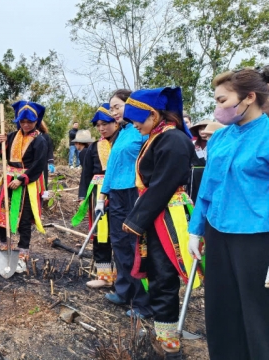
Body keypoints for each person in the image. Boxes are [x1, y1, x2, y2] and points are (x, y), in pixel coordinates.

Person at [188, 66, 269, 360]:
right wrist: (196, 230)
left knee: (257, 314)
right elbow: (207, 188)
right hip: (218, 233)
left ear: (249, 97)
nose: (217, 108)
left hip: (257, 239)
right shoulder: (221, 139)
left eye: (222, 101)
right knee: (221, 309)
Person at [120, 87, 200, 359]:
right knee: (156, 270)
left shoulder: (174, 139)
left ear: (153, 114)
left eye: (137, 120)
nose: (135, 125)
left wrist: (135, 220)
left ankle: (170, 343)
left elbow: (163, 184)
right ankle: (163, 329)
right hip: (156, 212)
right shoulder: (157, 137)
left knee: (165, 274)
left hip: (168, 216)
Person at [95, 89, 151, 318]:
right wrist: (102, 196)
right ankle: (123, 290)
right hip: (116, 195)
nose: (113, 111)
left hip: (134, 193)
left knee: (134, 245)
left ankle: (143, 302)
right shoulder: (123, 134)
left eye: (117, 106)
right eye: (112, 108)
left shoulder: (142, 131)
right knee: (118, 243)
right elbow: (112, 169)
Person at [0, 101, 48, 271]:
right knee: (3, 214)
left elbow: (39, 164)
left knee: (24, 219)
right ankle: (4, 245)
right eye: (22, 122)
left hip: (26, 184)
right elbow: (2, 154)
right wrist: (1, 143)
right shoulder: (12, 135)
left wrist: (22, 179)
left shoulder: (40, 140)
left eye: (29, 122)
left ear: (36, 121)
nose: (25, 125)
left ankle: (23, 254)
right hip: (8, 181)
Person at [73, 104, 120, 288]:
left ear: (115, 122)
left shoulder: (123, 143)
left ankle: (121, 276)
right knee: (101, 234)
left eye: (105, 123)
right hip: (97, 194)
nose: (102, 128)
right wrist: (82, 195)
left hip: (120, 192)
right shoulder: (93, 148)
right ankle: (104, 276)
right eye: (98, 125)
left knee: (119, 234)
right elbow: (86, 174)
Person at [186, 119, 211, 204]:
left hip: (209, 172)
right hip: (195, 174)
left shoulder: (214, 143)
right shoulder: (192, 143)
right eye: (200, 129)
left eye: (205, 128)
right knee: (194, 195)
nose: (202, 131)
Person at [38, 121, 55, 190]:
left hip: (43, 161)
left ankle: (44, 193)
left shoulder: (45, 136)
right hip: (31, 162)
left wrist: (51, 162)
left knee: (44, 178)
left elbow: (50, 149)